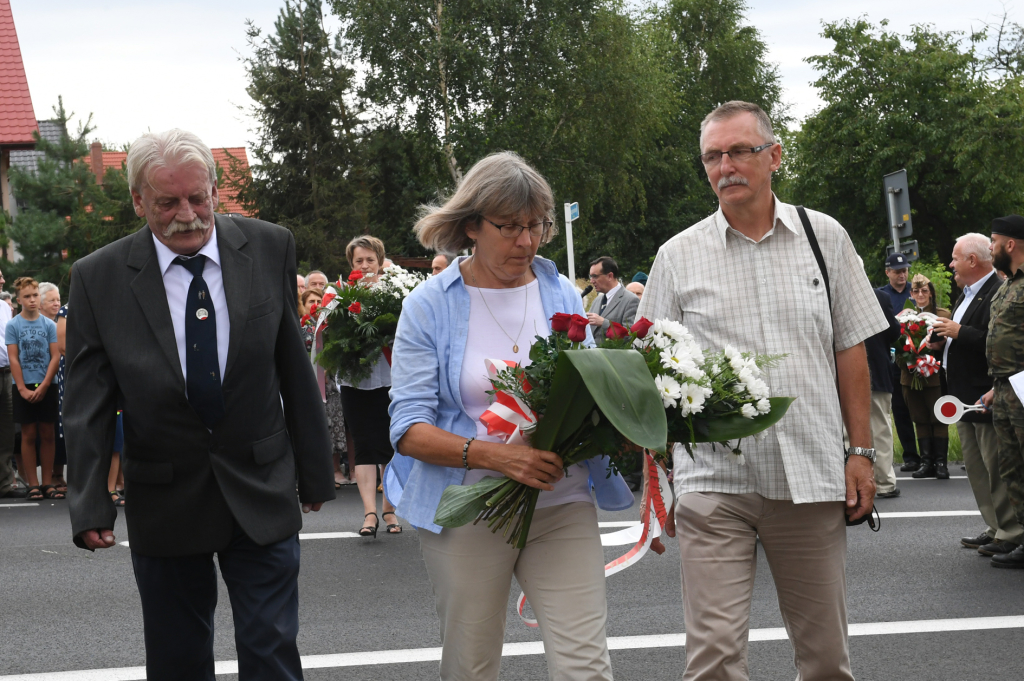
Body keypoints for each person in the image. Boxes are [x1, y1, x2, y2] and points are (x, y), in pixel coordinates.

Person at [64, 128, 335, 679]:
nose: (188, 214)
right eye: (167, 202)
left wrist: (315, 470)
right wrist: (90, 502)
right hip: (165, 498)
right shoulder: (98, 279)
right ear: (138, 201)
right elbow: (88, 404)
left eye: (199, 197)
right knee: (177, 659)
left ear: (214, 189)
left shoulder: (268, 245)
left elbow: (292, 364)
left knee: (272, 650)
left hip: (261, 484)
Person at [638, 101, 885, 680]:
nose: (725, 166)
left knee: (825, 657)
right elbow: (646, 371)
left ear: (774, 156)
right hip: (713, 481)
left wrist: (861, 452)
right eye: (712, 156)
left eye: (739, 151)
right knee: (715, 660)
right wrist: (659, 477)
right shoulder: (676, 255)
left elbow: (850, 351)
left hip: (810, 475)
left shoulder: (825, 237)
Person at [387, 151, 631, 681]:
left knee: (586, 666)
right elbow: (407, 428)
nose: (526, 241)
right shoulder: (429, 304)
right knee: (473, 667)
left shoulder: (559, 288)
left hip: (561, 501)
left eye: (536, 226)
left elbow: (591, 388)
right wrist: (501, 458)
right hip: (469, 506)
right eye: (510, 227)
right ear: (471, 225)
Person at [932, 233, 1021, 555]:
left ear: (973, 260)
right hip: (962, 395)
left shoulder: (999, 290)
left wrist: (959, 332)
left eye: (955, 258)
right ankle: (995, 525)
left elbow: (999, 342)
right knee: (976, 467)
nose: (951, 264)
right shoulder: (967, 294)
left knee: (996, 467)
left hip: (985, 393)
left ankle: (1010, 531)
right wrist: (943, 341)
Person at [337, 235, 401, 537]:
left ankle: (389, 510)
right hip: (354, 380)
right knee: (363, 444)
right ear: (351, 264)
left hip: (389, 379)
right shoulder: (339, 296)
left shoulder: (394, 294)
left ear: (379, 262)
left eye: (369, 260)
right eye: (358, 261)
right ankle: (369, 513)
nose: (364, 265)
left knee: (389, 445)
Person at [980, 215, 1024, 568]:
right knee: (1012, 468)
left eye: (993, 242)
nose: (989, 248)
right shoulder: (1008, 285)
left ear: (1010, 244)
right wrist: (997, 387)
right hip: (1006, 388)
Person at [7, 277, 61, 501]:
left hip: (47, 384)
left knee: (48, 433)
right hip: (23, 386)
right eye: (27, 296)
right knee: (28, 434)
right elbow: (14, 358)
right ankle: (33, 483)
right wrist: (22, 388)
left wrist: (46, 384)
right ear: (19, 300)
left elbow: (56, 355)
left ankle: (48, 482)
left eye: (35, 295)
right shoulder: (14, 325)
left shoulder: (49, 325)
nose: (32, 300)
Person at [902, 274, 951, 479]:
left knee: (938, 416)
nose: (920, 294)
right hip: (910, 373)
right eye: (916, 291)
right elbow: (897, 344)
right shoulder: (905, 314)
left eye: (924, 290)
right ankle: (926, 461)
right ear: (911, 294)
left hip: (934, 373)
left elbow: (948, 344)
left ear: (931, 292)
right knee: (919, 417)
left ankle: (940, 462)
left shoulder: (942, 314)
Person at [878, 252, 921, 471]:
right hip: (894, 360)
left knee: (922, 408)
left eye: (904, 270)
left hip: (919, 359)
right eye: (896, 271)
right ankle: (911, 457)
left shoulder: (916, 292)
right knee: (900, 410)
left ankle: (931, 455)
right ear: (888, 273)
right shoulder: (880, 295)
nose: (902, 275)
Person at [866, 288, 901, 498]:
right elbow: (893, 333)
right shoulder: (880, 297)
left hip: (842, 373)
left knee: (845, 430)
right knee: (880, 427)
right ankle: (885, 482)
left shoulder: (831, 293)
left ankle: (851, 480)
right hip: (876, 370)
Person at [38, 282, 67, 494]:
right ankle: (49, 476)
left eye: (58, 299)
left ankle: (59, 473)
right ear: (40, 304)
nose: (57, 303)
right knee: (46, 431)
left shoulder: (61, 320)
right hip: (41, 381)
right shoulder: (36, 324)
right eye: (52, 300)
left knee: (61, 429)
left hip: (62, 380)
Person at [0, 268, 20, 499]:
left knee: (6, 432)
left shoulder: (5, 307)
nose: (3, 281)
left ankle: (4, 483)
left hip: (6, 374)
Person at [586, 256, 639, 341]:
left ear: (610, 276)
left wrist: (604, 323)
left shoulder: (631, 300)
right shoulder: (597, 301)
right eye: (590, 276)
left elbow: (630, 336)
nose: (591, 281)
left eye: (595, 276)